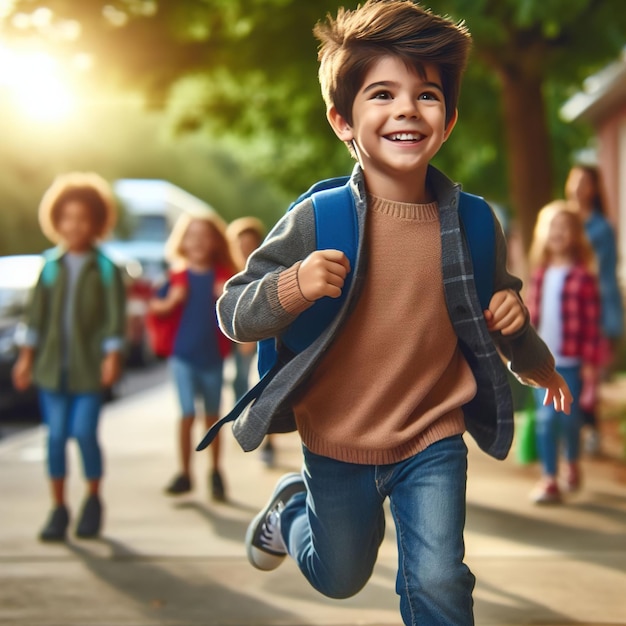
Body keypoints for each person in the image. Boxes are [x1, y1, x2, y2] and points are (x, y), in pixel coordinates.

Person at [214, 2, 572, 624]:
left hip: (431, 433)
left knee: (438, 579)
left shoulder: (473, 222)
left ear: (449, 120)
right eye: (382, 93)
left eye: (426, 94)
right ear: (342, 120)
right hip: (337, 438)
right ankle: (293, 511)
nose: (406, 108)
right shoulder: (316, 219)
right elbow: (235, 312)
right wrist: (295, 284)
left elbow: (498, 303)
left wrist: (532, 355)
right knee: (341, 575)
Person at [12, 172, 126, 542]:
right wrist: (26, 358)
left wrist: (111, 358)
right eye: (67, 218)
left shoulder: (106, 268)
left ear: (95, 221)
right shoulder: (50, 266)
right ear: (56, 220)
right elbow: (35, 317)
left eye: (82, 218)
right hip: (50, 368)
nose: (74, 225)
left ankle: (93, 501)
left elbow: (114, 318)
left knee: (83, 432)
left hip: (88, 370)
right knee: (56, 437)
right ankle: (58, 508)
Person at [151, 209, 237, 502]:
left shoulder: (224, 278)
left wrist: (225, 296)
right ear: (182, 242)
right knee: (187, 413)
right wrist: (172, 300)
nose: (198, 242)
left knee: (212, 417)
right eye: (192, 236)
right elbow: (156, 309)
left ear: (215, 242)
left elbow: (241, 312)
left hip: (213, 357)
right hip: (182, 356)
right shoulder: (176, 277)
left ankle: (215, 471)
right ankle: (185, 473)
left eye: (205, 236)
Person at [526, 200, 601, 503]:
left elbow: (592, 325)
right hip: (542, 362)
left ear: (575, 234)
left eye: (564, 227)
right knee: (545, 420)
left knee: (569, 420)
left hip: (571, 363)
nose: (557, 233)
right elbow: (530, 316)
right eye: (552, 227)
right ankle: (549, 478)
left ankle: (571, 460)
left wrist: (591, 368)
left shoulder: (583, 277)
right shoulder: (540, 274)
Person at [565, 163, 623, 454]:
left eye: (584, 181)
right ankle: (573, 430)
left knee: (587, 376)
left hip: (592, 313)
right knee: (565, 371)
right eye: (574, 179)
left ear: (594, 189)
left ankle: (589, 430)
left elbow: (605, 274)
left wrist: (608, 318)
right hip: (563, 311)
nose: (578, 186)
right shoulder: (560, 219)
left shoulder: (601, 228)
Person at [225, 216, 278, 467]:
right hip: (238, 339)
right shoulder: (230, 270)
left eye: (249, 242)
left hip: (265, 338)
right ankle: (245, 424)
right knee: (239, 383)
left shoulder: (266, 266)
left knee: (264, 386)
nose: (244, 247)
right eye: (240, 243)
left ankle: (267, 440)